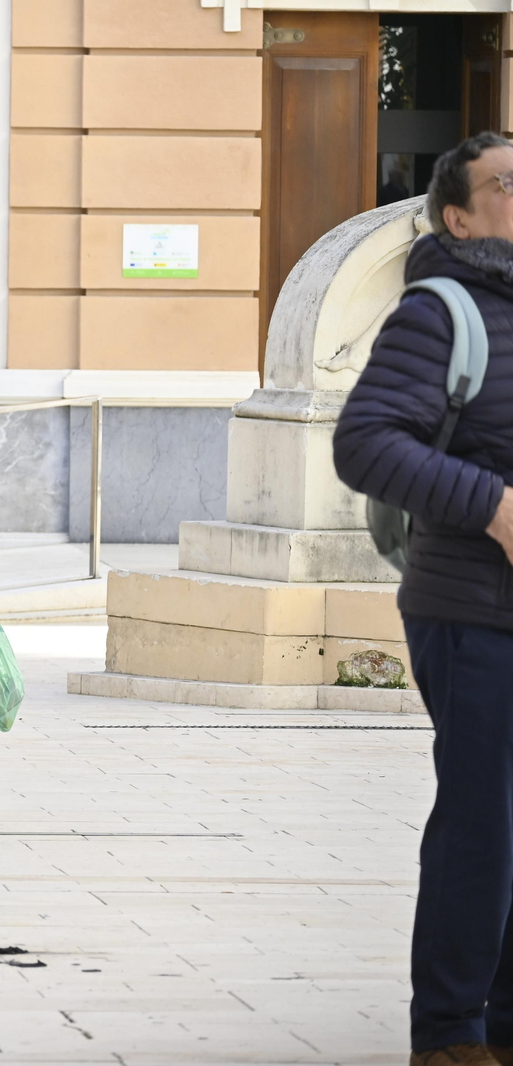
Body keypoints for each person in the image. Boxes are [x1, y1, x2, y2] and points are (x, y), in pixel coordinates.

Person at [332, 131, 513, 1066]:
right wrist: (492, 506)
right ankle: (449, 1031)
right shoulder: (443, 311)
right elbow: (363, 443)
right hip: (471, 607)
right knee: (482, 824)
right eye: (507, 184)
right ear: (460, 214)